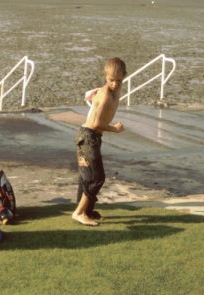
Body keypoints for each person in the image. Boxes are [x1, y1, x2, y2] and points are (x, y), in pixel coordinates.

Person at [72, 57, 127, 226]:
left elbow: (91, 98)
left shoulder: (113, 91)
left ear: (124, 77)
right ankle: (79, 213)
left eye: (119, 81)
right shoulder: (104, 94)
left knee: (86, 177)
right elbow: (96, 123)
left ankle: (87, 211)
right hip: (88, 137)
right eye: (111, 80)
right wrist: (114, 129)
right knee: (97, 178)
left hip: (91, 138)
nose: (115, 84)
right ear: (105, 76)